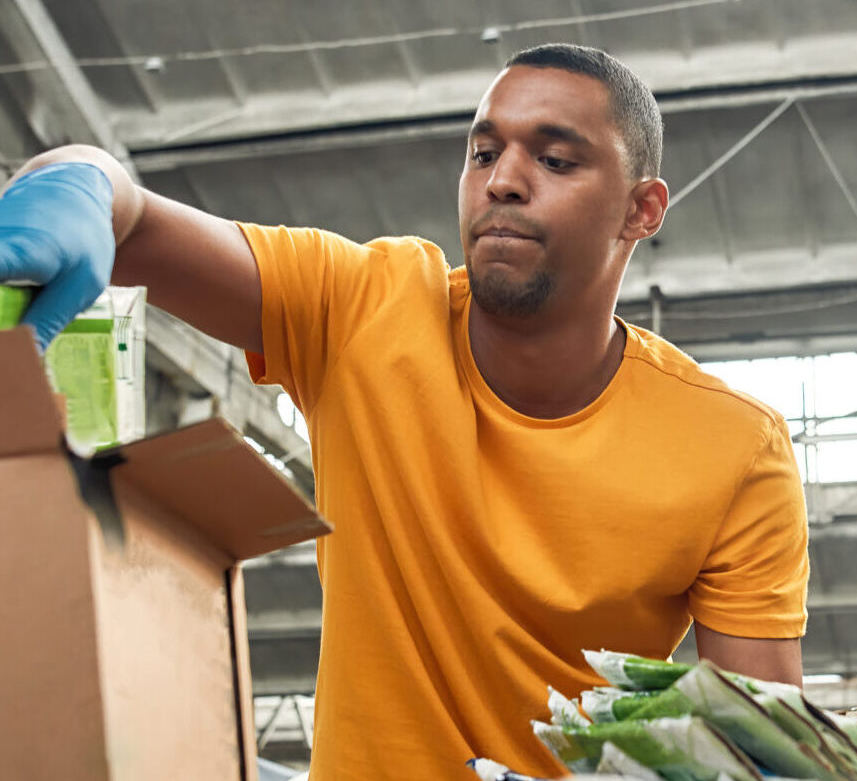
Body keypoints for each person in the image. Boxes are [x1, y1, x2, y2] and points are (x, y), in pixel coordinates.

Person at [0, 44, 808, 780]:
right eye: (484, 152)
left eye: (554, 158)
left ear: (641, 210)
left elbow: (756, 752)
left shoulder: (734, 450)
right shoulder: (362, 310)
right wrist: (71, 186)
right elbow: (130, 213)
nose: (502, 179)